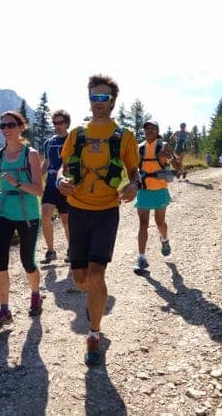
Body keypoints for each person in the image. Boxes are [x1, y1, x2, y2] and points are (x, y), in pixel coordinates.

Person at [56, 74, 141, 365]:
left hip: (106, 211)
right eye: (95, 97)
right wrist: (59, 182)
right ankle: (96, 296)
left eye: (104, 98)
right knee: (80, 279)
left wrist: (134, 186)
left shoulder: (125, 136)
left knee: (96, 275)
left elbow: (134, 172)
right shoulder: (77, 133)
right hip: (77, 210)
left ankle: (94, 333)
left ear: (113, 101)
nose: (99, 102)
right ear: (89, 98)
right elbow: (62, 169)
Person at [0, 110, 44, 329]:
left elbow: (39, 190)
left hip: (27, 214)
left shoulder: (31, 155)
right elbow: (4, 185)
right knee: (0, 261)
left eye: (10, 125)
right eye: (2, 126)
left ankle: (36, 294)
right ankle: (4, 310)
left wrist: (17, 184)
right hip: (3, 213)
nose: (6, 130)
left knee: (27, 261)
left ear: (21, 127)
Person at [133, 120, 173, 274]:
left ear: (157, 130)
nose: (148, 131)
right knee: (143, 224)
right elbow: (135, 169)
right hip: (144, 190)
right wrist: (134, 183)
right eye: (146, 128)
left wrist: (169, 157)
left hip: (160, 190)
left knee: (160, 223)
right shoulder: (140, 148)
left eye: (152, 128)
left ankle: (164, 240)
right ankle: (141, 258)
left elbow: (177, 166)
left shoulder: (164, 145)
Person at [39, 109, 71, 264]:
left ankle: (72, 249)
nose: (57, 126)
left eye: (60, 123)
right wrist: (36, 178)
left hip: (67, 186)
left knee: (66, 221)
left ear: (66, 124)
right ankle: (51, 251)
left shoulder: (73, 140)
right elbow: (46, 163)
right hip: (51, 185)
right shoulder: (49, 142)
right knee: (45, 216)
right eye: (54, 123)